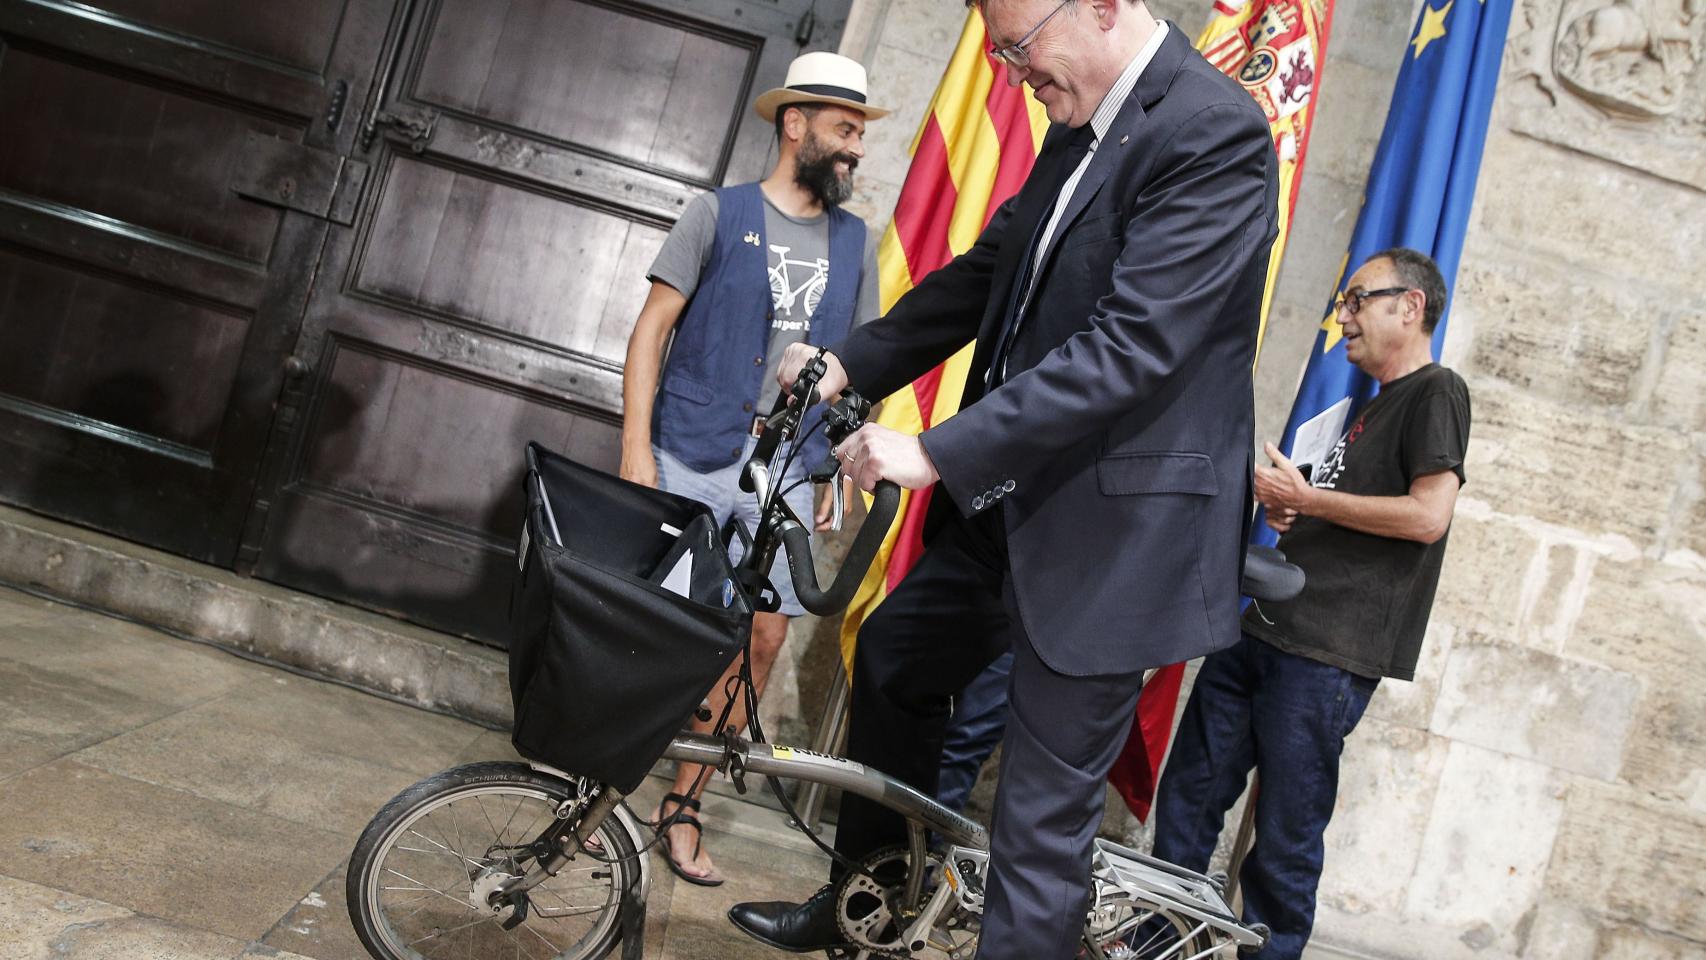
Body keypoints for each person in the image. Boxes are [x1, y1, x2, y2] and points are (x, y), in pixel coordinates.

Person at [728, 0, 1279, 955]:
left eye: (1019, 48)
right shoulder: (1081, 120)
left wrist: (936, 450)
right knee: (896, 660)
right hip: (1016, 504)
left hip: (1115, 534)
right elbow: (988, 273)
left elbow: (1132, 347)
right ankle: (868, 909)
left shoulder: (1214, 132)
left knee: (1037, 825)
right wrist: (850, 363)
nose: (1012, 74)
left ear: (1101, 7)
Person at [1150, 248, 1472, 960]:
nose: (1343, 317)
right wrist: (1295, 511)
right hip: (1262, 629)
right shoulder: (1371, 405)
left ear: (1410, 306)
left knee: (1284, 843)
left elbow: (1428, 516)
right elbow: (1354, 517)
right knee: (1189, 801)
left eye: (1358, 300)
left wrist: (1312, 501)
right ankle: (1159, 944)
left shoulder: (1438, 391)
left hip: (1325, 655)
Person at [618, 51, 885, 886]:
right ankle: (596, 790)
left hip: (789, 469)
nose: (857, 148)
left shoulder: (856, 243)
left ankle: (681, 806)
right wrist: (635, 448)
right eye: (845, 130)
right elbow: (650, 332)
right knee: (652, 623)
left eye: (860, 133)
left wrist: (839, 461)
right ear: (795, 125)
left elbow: (862, 367)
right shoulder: (716, 213)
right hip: (690, 448)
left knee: (763, 635)